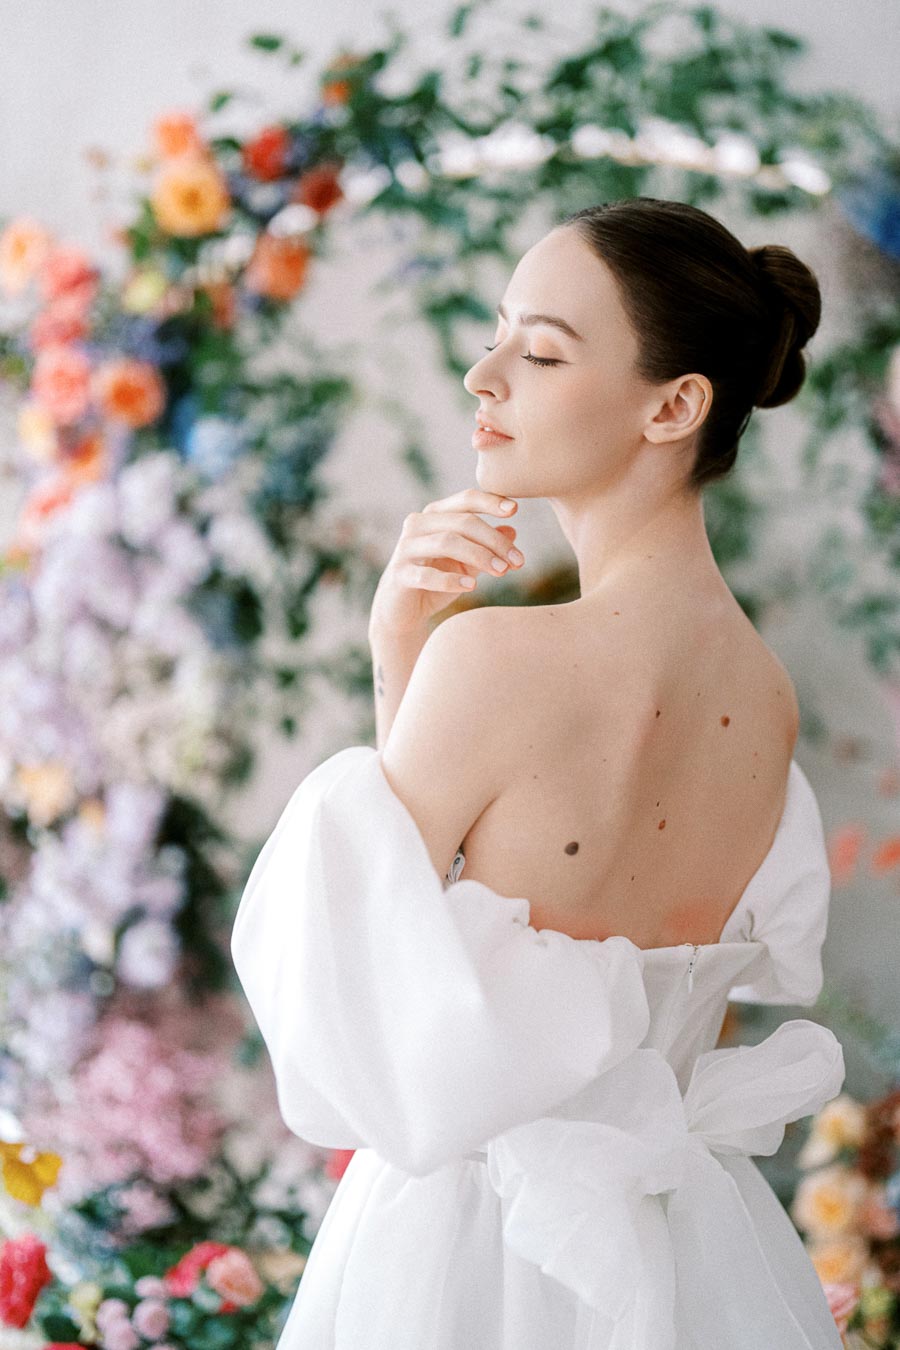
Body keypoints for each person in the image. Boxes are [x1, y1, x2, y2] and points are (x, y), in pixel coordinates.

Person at [231, 197, 847, 1348]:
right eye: (497, 333)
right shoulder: (766, 701)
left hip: (469, 1242)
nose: (484, 375)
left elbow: (356, 1020)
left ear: (674, 405)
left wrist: (398, 656)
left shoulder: (494, 659)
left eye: (542, 349)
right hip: (687, 1242)